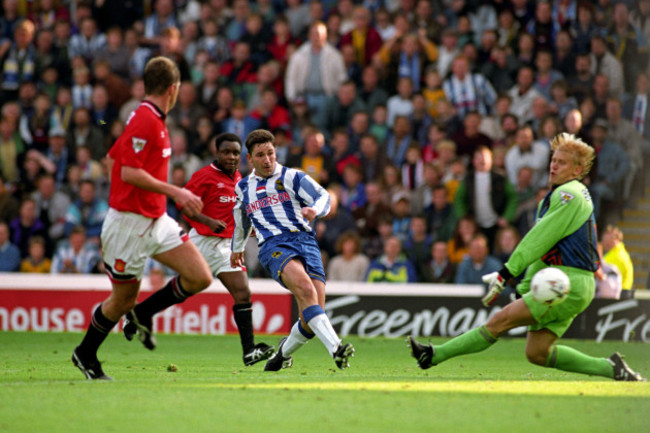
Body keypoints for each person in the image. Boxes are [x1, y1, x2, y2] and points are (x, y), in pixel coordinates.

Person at [408, 133, 645, 382]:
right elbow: (545, 248)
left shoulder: (570, 195)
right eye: (553, 160)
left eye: (562, 162)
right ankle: (611, 368)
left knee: (499, 321)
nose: (554, 165)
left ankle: (433, 355)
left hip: (568, 282)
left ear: (577, 170)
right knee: (537, 353)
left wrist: (507, 271)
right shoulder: (557, 197)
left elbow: (540, 237)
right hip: (566, 282)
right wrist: (524, 286)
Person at [71, 57, 213, 380]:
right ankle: (85, 353)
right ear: (173, 90)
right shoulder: (146, 121)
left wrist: (143, 194)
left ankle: (143, 312)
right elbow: (127, 170)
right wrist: (174, 192)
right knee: (121, 300)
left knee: (200, 276)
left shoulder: (146, 119)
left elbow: (111, 159)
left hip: (155, 219)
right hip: (128, 226)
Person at [230, 129, 354, 371]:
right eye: (260, 155)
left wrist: (314, 211)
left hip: (306, 242)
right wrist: (237, 248)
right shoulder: (244, 187)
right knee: (306, 290)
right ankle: (336, 348)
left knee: (310, 315)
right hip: (274, 245)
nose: (267, 159)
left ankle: (280, 356)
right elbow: (242, 221)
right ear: (250, 159)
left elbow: (324, 197)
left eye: (270, 153)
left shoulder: (293, 177)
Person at [180, 132, 274, 366]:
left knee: (243, 293)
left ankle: (249, 351)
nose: (231, 156)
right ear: (217, 153)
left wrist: (249, 232)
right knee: (183, 290)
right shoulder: (203, 176)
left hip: (225, 244)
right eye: (226, 152)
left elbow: (234, 215)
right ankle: (139, 315)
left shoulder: (239, 178)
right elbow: (184, 205)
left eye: (235, 152)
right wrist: (207, 221)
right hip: (203, 240)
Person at [601, 225, 635, 300]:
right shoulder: (622, 253)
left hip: (618, 295)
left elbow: (605, 278)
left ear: (618, 239)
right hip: (623, 294)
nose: (606, 243)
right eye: (605, 240)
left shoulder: (616, 256)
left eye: (610, 239)